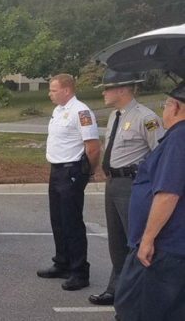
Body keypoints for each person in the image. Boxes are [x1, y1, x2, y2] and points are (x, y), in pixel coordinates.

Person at [88, 70, 164, 306]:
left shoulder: (146, 117)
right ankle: (117, 289)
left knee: (135, 239)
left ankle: (139, 293)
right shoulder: (114, 116)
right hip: (113, 182)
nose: (103, 92)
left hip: (132, 184)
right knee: (116, 240)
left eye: (107, 88)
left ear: (122, 89)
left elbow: (159, 153)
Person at [114, 82, 185, 321]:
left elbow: (168, 194)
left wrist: (147, 239)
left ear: (175, 107)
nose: (163, 110)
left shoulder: (178, 139)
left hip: (164, 246)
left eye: (165, 104)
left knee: (136, 307)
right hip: (175, 244)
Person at [37, 73, 101, 291]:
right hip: (56, 170)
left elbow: (92, 147)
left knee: (72, 222)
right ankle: (62, 262)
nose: (50, 94)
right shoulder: (58, 110)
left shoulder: (81, 112)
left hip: (72, 171)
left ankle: (79, 271)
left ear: (66, 90)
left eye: (53, 90)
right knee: (58, 220)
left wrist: (87, 173)